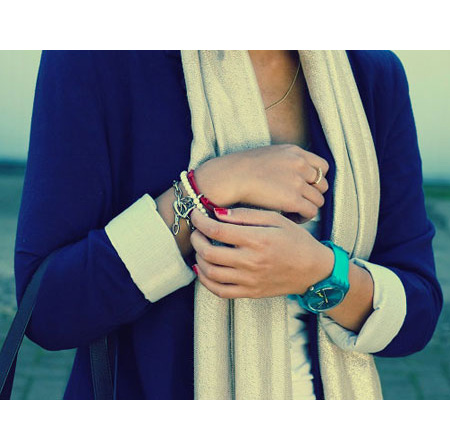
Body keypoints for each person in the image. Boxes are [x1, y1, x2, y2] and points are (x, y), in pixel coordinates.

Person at [14, 50, 442, 399]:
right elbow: (49, 311)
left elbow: (417, 312)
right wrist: (207, 188)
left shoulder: (371, 75)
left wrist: (320, 273)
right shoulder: (97, 55)